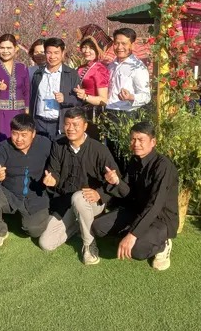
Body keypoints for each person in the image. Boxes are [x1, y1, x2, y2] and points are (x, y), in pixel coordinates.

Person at [38, 108, 122, 265]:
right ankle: (80, 225)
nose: (70, 128)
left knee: (78, 197)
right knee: (46, 243)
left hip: (91, 202)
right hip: (66, 203)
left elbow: (116, 180)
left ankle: (89, 245)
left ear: (85, 126)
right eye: (67, 124)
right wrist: (53, 180)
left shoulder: (99, 149)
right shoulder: (58, 145)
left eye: (75, 125)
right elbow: (54, 171)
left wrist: (100, 194)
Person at [92, 121, 178, 270]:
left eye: (140, 140)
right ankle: (137, 233)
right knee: (98, 227)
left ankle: (163, 245)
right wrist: (117, 182)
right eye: (133, 139)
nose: (136, 144)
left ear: (153, 142)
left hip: (160, 218)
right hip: (136, 211)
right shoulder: (134, 160)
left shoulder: (163, 166)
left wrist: (132, 235)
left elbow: (155, 205)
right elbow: (128, 193)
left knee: (135, 249)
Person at [0, 114, 52, 248]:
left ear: (33, 133)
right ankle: (0, 230)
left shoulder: (45, 144)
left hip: (35, 197)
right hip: (9, 193)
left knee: (34, 230)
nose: (19, 139)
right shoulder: (3, 147)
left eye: (24, 135)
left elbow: (58, 161)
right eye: (15, 134)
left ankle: (22, 218)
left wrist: (53, 176)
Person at [104, 28, 151, 169]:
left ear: (132, 45)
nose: (119, 47)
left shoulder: (138, 67)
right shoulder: (111, 65)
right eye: (116, 43)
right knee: (110, 153)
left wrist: (131, 97)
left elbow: (146, 96)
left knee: (124, 154)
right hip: (109, 113)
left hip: (126, 115)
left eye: (124, 43)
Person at [30, 37, 82, 140]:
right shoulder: (38, 74)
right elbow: (32, 98)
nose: (52, 56)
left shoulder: (71, 74)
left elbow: (79, 100)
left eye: (56, 53)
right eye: (49, 53)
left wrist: (65, 99)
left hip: (59, 124)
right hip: (39, 123)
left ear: (62, 53)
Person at [0, 33, 30, 143]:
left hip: (18, 114)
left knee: (18, 143)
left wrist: (26, 113)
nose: (5, 51)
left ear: (15, 49)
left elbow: (26, 91)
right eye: (2, 48)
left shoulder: (22, 67)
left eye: (9, 48)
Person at [73, 36, 109, 139]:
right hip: (79, 111)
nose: (87, 51)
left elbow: (104, 99)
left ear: (98, 49)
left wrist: (85, 97)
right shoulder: (81, 68)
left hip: (93, 114)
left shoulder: (99, 69)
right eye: (84, 47)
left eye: (91, 48)